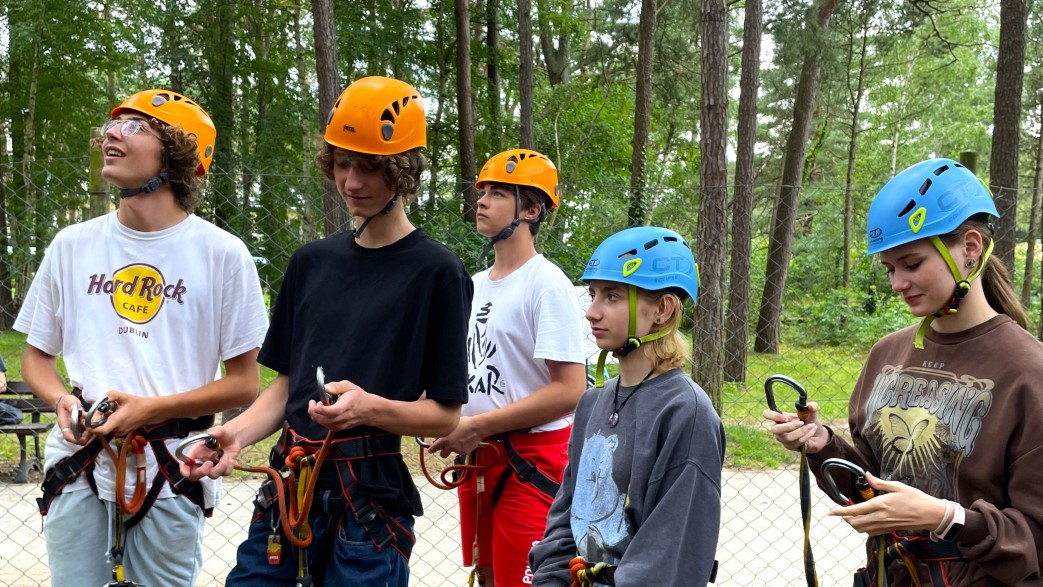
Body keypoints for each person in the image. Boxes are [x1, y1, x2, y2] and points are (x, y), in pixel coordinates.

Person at [181, 76, 473, 587]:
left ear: (402, 172)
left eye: (370, 167)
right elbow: (287, 387)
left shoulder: (438, 273)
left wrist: (367, 409)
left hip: (369, 503)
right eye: (343, 163)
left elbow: (444, 413)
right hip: (289, 491)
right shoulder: (311, 263)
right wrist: (235, 433)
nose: (352, 181)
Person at [14, 89, 268, 587]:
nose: (111, 134)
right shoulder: (72, 245)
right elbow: (36, 359)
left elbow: (244, 384)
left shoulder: (221, 254)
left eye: (134, 127)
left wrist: (152, 409)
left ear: (177, 153)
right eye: (110, 127)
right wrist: (60, 398)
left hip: (172, 467)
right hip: (81, 461)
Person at [764, 157, 1043, 586]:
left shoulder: (1028, 371)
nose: (897, 283)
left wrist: (945, 518)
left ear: (969, 247)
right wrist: (821, 444)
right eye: (890, 269)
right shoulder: (887, 355)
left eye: (911, 264)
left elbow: (1034, 541)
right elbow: (873, 486)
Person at [426, 149, 587, 586]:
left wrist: (480, 426)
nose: (481, 201)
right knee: (491, 571)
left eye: (498, 193)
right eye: (482, 192)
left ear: (532, 209)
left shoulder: (547, 284)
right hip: (479, 453)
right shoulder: (473, 285)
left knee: (524, 578)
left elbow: (571, 389)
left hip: (531, 457)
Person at [529, 226, 725, 586]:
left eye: (612, 296)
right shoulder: (592, 403)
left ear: (662, 309)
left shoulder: (686, 413)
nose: (591, 312)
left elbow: (669, 554)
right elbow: (565, 515)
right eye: (593, 295)